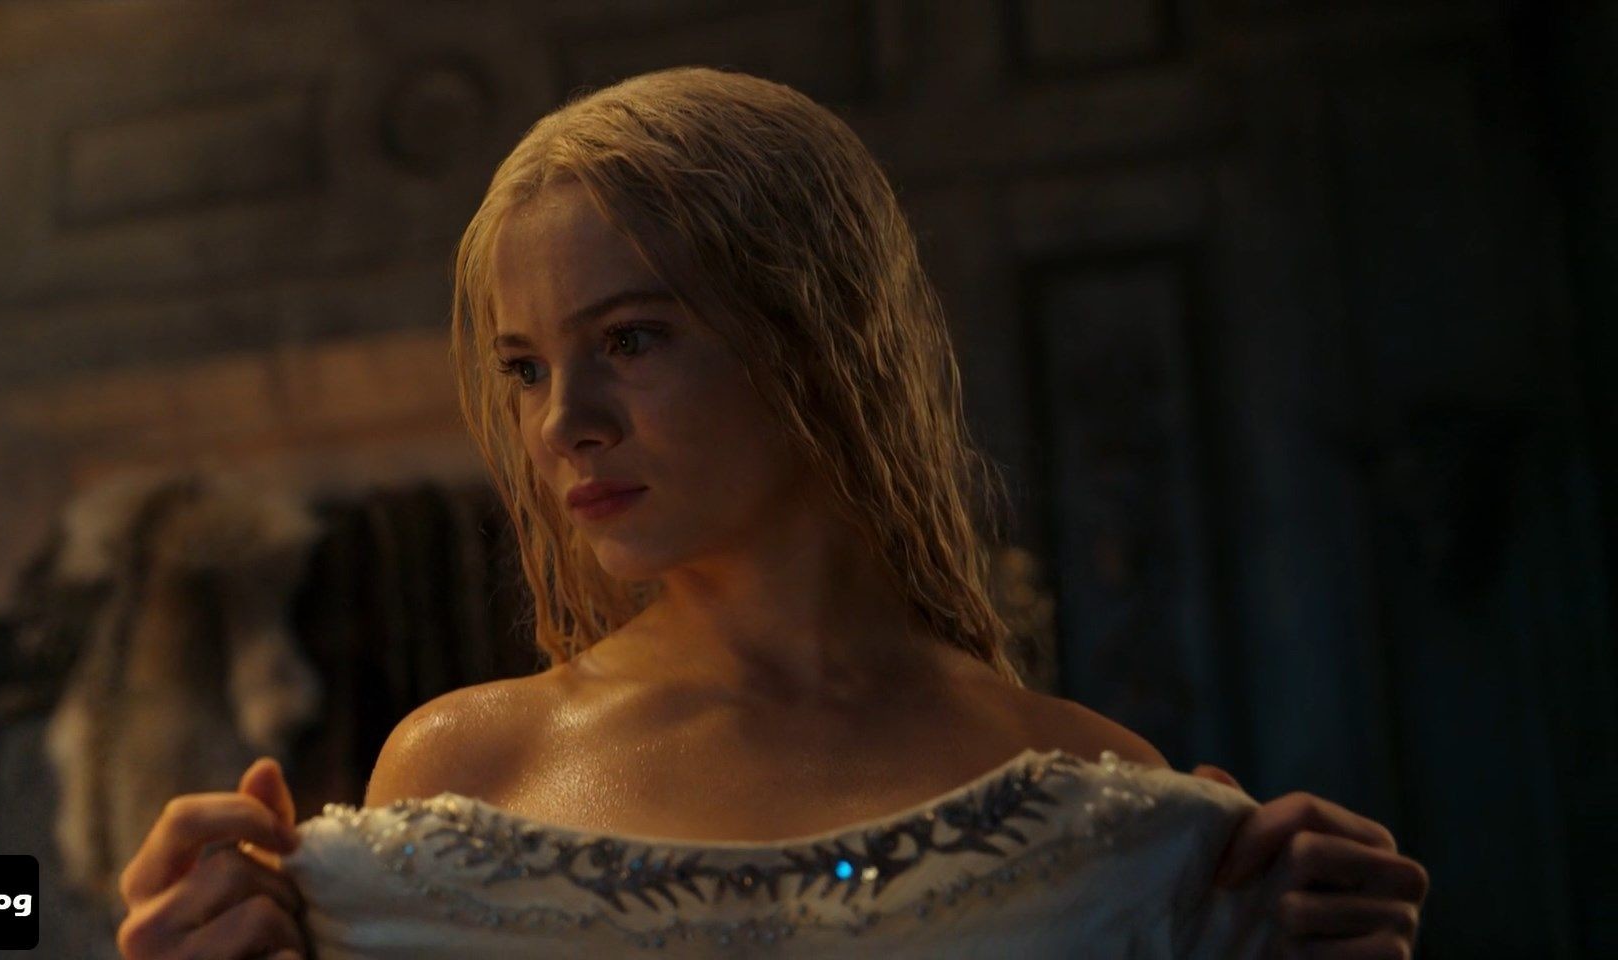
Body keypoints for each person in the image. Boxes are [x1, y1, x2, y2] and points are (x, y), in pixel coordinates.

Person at [116, 67, 1428, 959]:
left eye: (629, 339)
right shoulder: (467, 770)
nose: (562, 421)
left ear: (817, 336)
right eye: (524, 368)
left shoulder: (1106, 801)